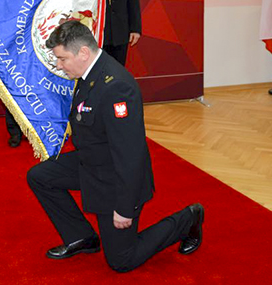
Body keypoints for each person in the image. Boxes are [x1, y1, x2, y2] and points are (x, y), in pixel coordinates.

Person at [27, 21, 204, 272]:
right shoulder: (90, 73)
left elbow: (130, 156)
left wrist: (124, 208)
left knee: (122, 261)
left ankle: (188, 219)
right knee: (40, 176)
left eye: (62, 59)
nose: (59, 65)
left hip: (115, 180)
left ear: (83, 53)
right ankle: (81, 237)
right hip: (92, 164)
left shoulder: (116, 88)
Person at [3, 0, 35, 147]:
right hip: (13, 35)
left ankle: (38, 127)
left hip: (39, 33)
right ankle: (14, 130)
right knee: (13, 82)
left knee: (37, 82)